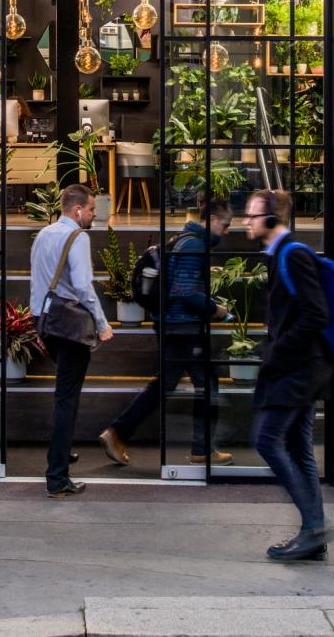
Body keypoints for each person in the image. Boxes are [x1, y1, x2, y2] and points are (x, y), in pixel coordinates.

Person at [98, 197, 233, 467]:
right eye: (226, 225)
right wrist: (216, 310)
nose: (227, 231)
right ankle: (202, 448)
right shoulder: (194, 245)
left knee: (166, 384)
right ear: (213, 220)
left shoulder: (183, 240)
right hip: (184, 327)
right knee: (207, 383)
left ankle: (118, 432)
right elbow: (188, 294)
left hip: (170, 324)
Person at [243, 188, 331, 561]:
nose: (246, 222)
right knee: (299, 448)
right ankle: (314, 533)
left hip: (296, 371)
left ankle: (314, 527)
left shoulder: (292, 256)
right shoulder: (281, 255)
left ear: (271, 220)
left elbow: (316, 315)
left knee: (266, 440)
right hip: (302, 369)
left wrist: (277, 352)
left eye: (252, 215)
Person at [29, 183, 112, 497]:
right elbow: (83, 287)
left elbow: (37, 282)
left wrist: (38, 321)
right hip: (70, 328)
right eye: (91, 209)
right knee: (67, 397)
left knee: (63, 393)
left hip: (46, 323)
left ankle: (60, 454)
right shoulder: (78, 237)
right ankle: (57, 476)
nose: (93, 215)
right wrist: (102, 324)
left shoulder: (43, 235)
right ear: (78, 211)